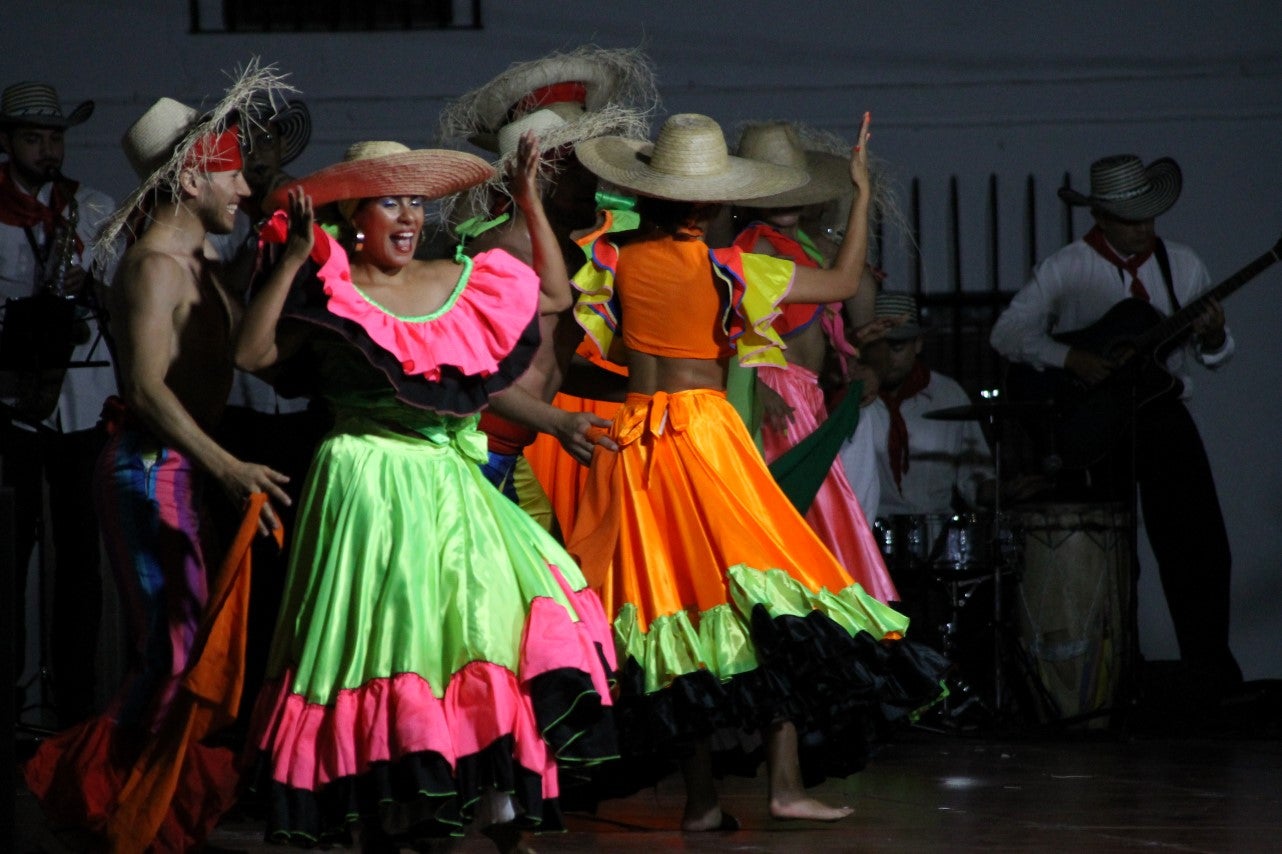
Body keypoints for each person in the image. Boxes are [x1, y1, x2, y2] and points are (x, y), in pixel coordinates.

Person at [237, 134, 618, 852]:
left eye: (416, 201)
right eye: (390, 201)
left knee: (485, 628)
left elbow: (555, 300)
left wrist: (529, 201)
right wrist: (291, 263)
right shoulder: (333, 291)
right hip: (365, 484)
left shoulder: (458, 279)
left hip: (446, 484)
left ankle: (480, 800)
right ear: (354, 214)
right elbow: (251, 356)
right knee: (385, 648)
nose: (408, 216)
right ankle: (392, 809)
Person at [567, 112, 946, 831]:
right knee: (765, 600)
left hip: (636, 441)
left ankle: (703, 801)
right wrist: (860, 195)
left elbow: (589, 348)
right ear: (711, 205)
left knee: (667, 613)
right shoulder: (731, 268)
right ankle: (783, 784)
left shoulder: (611, 260)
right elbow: (840, 281)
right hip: (706, 440)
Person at [22, 66, 297, 851]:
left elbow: (252, 356)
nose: (245, 186)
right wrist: (227, 466)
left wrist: (291, 257)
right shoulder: (150, 266)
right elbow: (144, 388)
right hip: (149, 470)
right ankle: (105, 794)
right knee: (173, 650)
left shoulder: (206, 267)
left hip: (182, 470)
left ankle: (140, 796)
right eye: (232, 170)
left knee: (187, 649)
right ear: (190, 174)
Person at [989, 153, 1242, 697]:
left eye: (1150, 216)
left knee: (1198, 542)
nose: (1145, 228)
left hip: (1162, 416)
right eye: (1131, 218)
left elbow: (1214, 356)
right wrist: (1069, 359)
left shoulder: (1184, 263)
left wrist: (1215, 335)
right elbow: (1007, 334)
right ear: (1101, 217)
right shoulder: (1065, 268)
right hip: (1098, 424)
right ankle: (1114, 680)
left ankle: (1209, 676)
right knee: (1108, 553)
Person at [438, 46, 657, 531]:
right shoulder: (505, 254)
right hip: (471, 459)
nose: (595, 184)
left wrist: (641, 390)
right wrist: (560, 422)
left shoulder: (561, 253)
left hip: (505, 455)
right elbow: (472, 375)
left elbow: (541, 362)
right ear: (546, 176)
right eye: (580, 172)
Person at [729, 120, 897, 604]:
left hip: (809, 397)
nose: (785, 201)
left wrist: (862, 361)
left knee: (822, 523)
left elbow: (852, 321)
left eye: (793, 189)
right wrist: (758, 387)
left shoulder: (810, 250)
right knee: (803, 526)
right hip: (778, 399)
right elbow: (726, 329)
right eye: (772, 191)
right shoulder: (752, 249)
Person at [0, 80, 116, 727]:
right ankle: (9, 702)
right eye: (34, 138)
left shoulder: (92, 209)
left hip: (80, 403)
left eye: (56, 138)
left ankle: (75, 706)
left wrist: (91, 276)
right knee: (9, 559)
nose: (49, 150)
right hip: (11, 402)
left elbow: (125, 296)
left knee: (79, 557)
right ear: (7, 142)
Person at [863, 292, 995, 518]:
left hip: (936, 531)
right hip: (869, 531)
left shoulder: (948, 394)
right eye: (878, 348)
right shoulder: (855, 400)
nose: (887, 359)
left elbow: (975, 474)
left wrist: (999, 490)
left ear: (918, 344)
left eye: (897, 348)